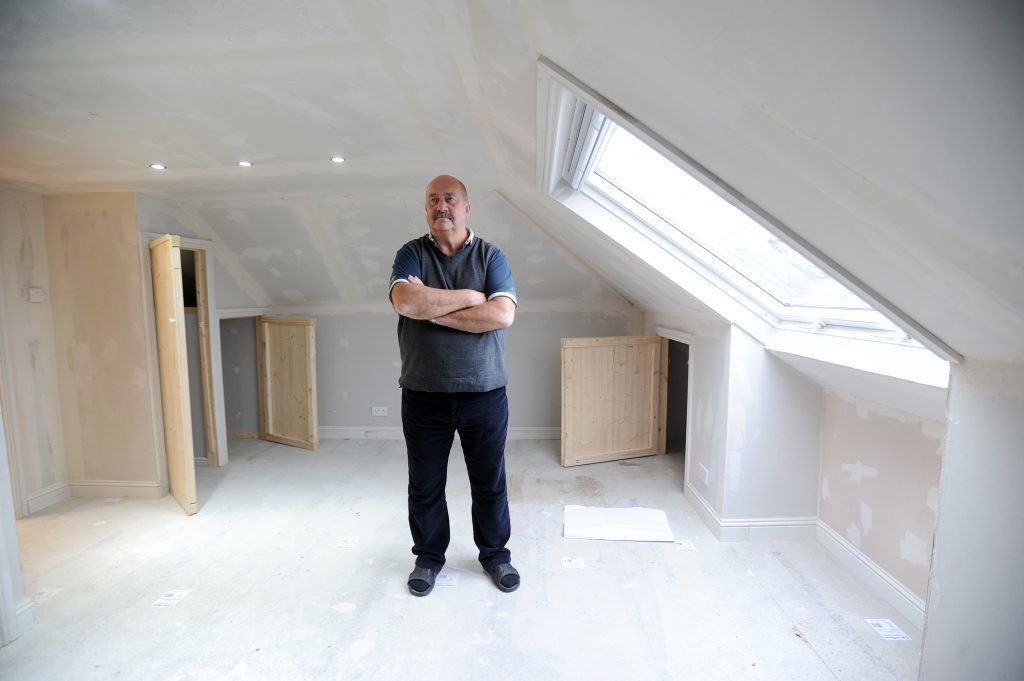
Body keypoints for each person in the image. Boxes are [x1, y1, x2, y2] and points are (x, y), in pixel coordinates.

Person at [388, 174, 520, 597]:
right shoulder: (411, 253)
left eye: (449, 199)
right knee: (425, 484)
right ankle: (428, 558)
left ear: (466, 207)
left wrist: (432, 308)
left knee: (489, 481)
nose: (440, 206)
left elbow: (501, 315)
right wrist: (470, 296)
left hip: (485, 393)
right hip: (423, 394)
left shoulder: (491, 256)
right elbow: (406, 301)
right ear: (426, 208)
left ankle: (496, 555)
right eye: (432, 200)